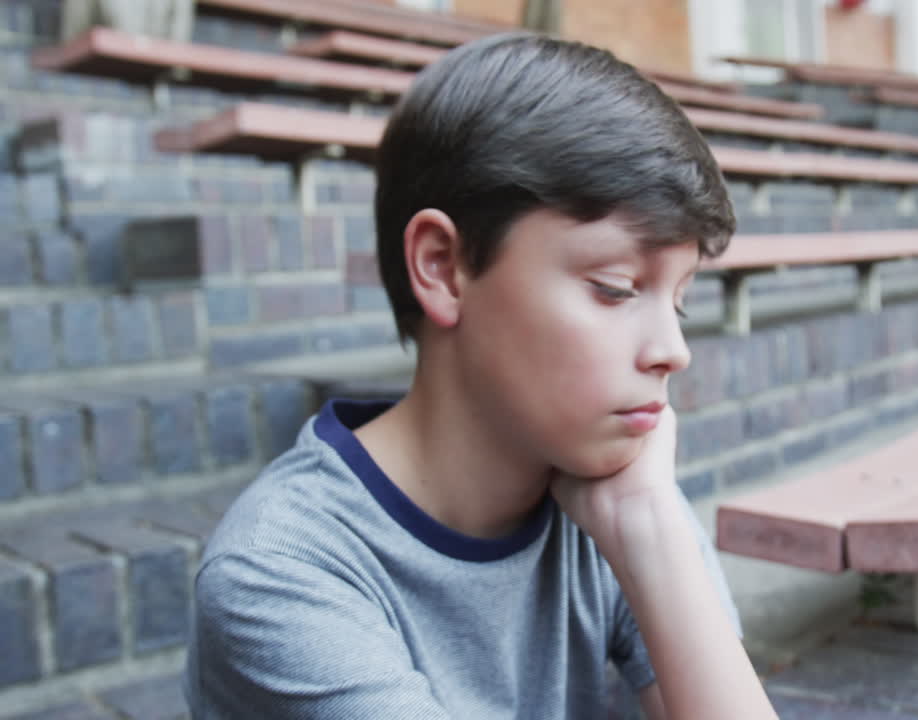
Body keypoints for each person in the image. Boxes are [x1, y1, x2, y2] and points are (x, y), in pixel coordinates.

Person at [184, 32, 776, 719]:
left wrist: (651, 524)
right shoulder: (281, 574)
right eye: (616, 287)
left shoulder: (612, 497)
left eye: (681, 299)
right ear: (441, 265)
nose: (674, 349)